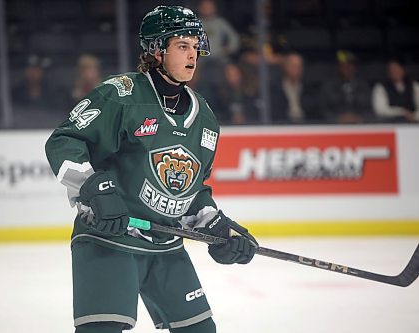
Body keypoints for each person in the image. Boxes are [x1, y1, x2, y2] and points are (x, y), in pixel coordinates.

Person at [45, 6, 258, 333]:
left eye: (195, 46)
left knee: (200, 330)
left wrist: (217, 227)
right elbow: (64, 141)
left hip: (166, 245)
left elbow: (192, 190)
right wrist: (93, 188)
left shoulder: (205, 117)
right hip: (108, 241)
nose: (192, 55)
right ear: (157, 50)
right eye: (182, 46)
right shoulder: (121, 95)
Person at [319, 50, 373, 124]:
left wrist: (360, 118)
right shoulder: (328, 86)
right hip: (334, 127)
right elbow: (323, 110)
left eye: (349, 65)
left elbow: (370, 109)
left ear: (354, 67)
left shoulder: (364, 86)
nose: (346, 67)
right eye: (343, 65)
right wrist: (337, 119)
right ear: (339, 67)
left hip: (361, 127)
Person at [270, 53, 318, 123]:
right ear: (285, 67)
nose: (297, 70)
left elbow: (314, 110)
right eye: (294, 66)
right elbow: (275, 112)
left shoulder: (309, 88)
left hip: (307, 125)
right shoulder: (275, 88)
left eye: (300, 67)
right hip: (284, 125)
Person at [372, 59, 419, 123]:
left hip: (413, 124)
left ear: (403, 70)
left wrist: (414, 116)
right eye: (392, 70)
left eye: (397, 69)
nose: (395, 72)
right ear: (388, 72)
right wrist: (402, 112)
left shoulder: (414, 86)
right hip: (390, 124)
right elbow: (380, 110)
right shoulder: (381, 87)